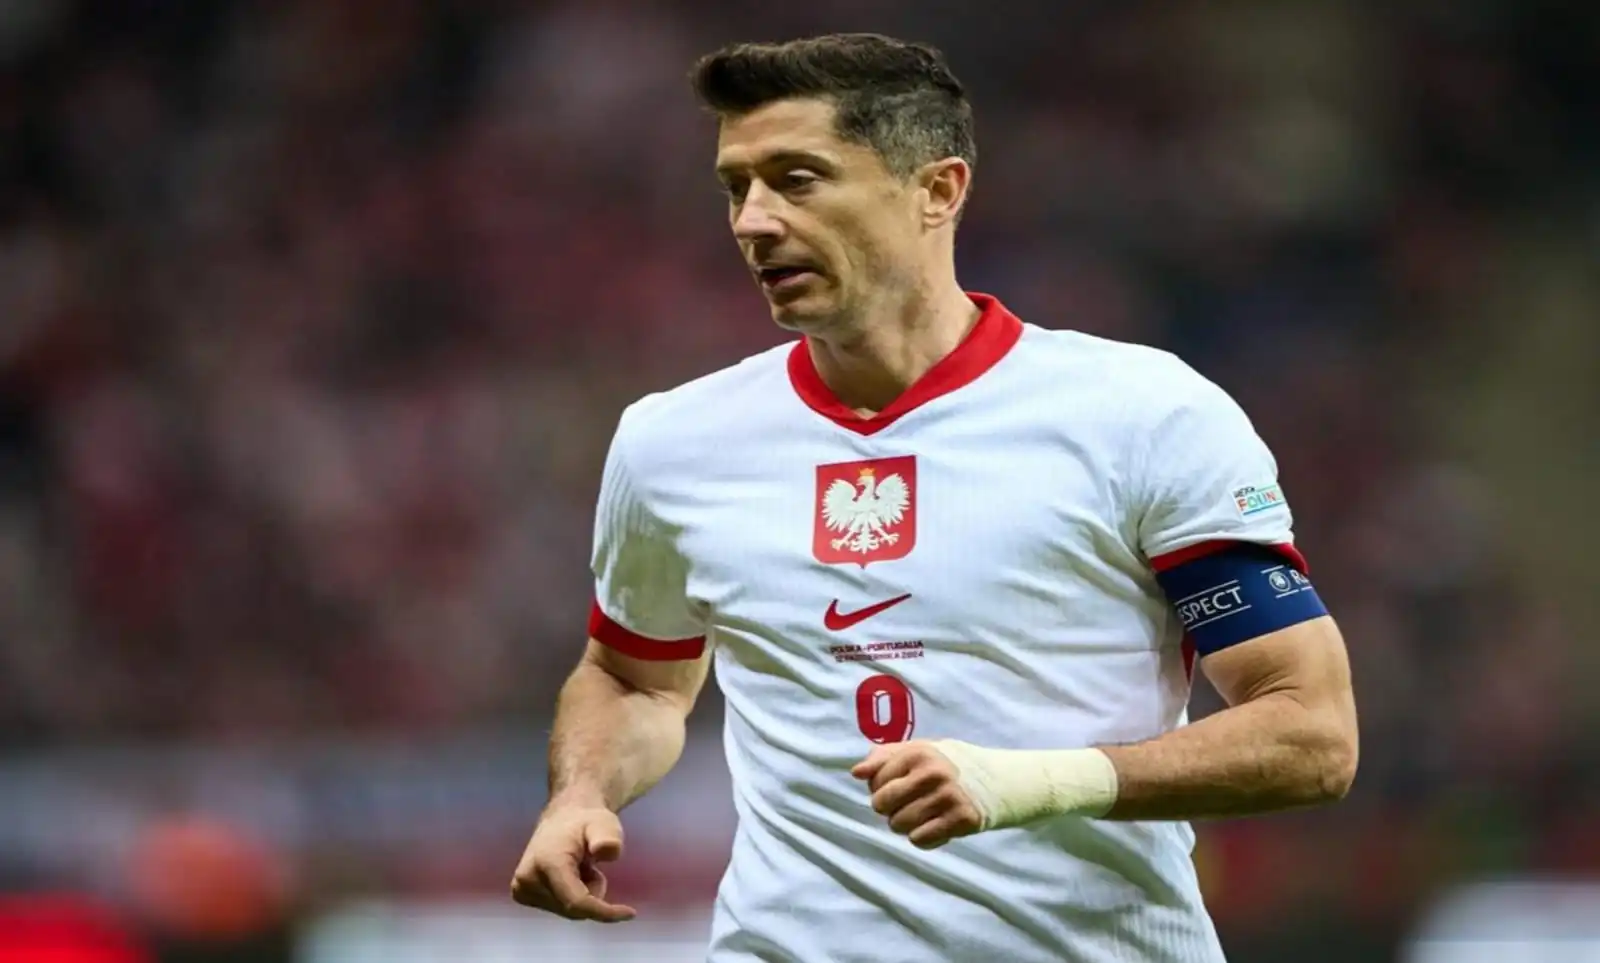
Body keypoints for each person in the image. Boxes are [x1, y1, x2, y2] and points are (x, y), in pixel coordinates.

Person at [510, 32, 1359, 963]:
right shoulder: (672, 443)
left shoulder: (1142, 415)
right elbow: (634, 678)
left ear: (938, 191)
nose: (753, 220)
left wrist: (1033, 783)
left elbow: (1311, 733)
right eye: (735, 187)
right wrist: (580, 793)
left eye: (797, 180)